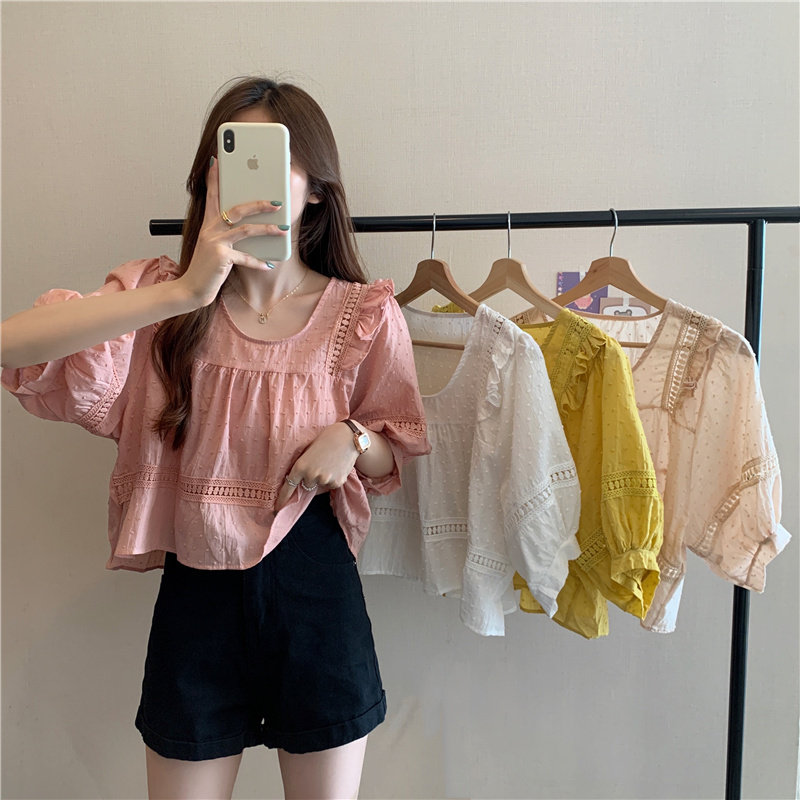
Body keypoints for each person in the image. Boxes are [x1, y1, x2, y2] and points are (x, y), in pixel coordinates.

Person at [1, 76, 430, 800]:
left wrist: (353, 436)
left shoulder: (361, 312)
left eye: (273, 161)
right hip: (196, 596)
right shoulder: (161, 299)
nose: (245, 182)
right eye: (227, 160)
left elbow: (399, 444)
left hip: (315, 591)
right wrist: (186, 291)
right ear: (205, 178)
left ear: (316, 189)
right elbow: (13, 346)